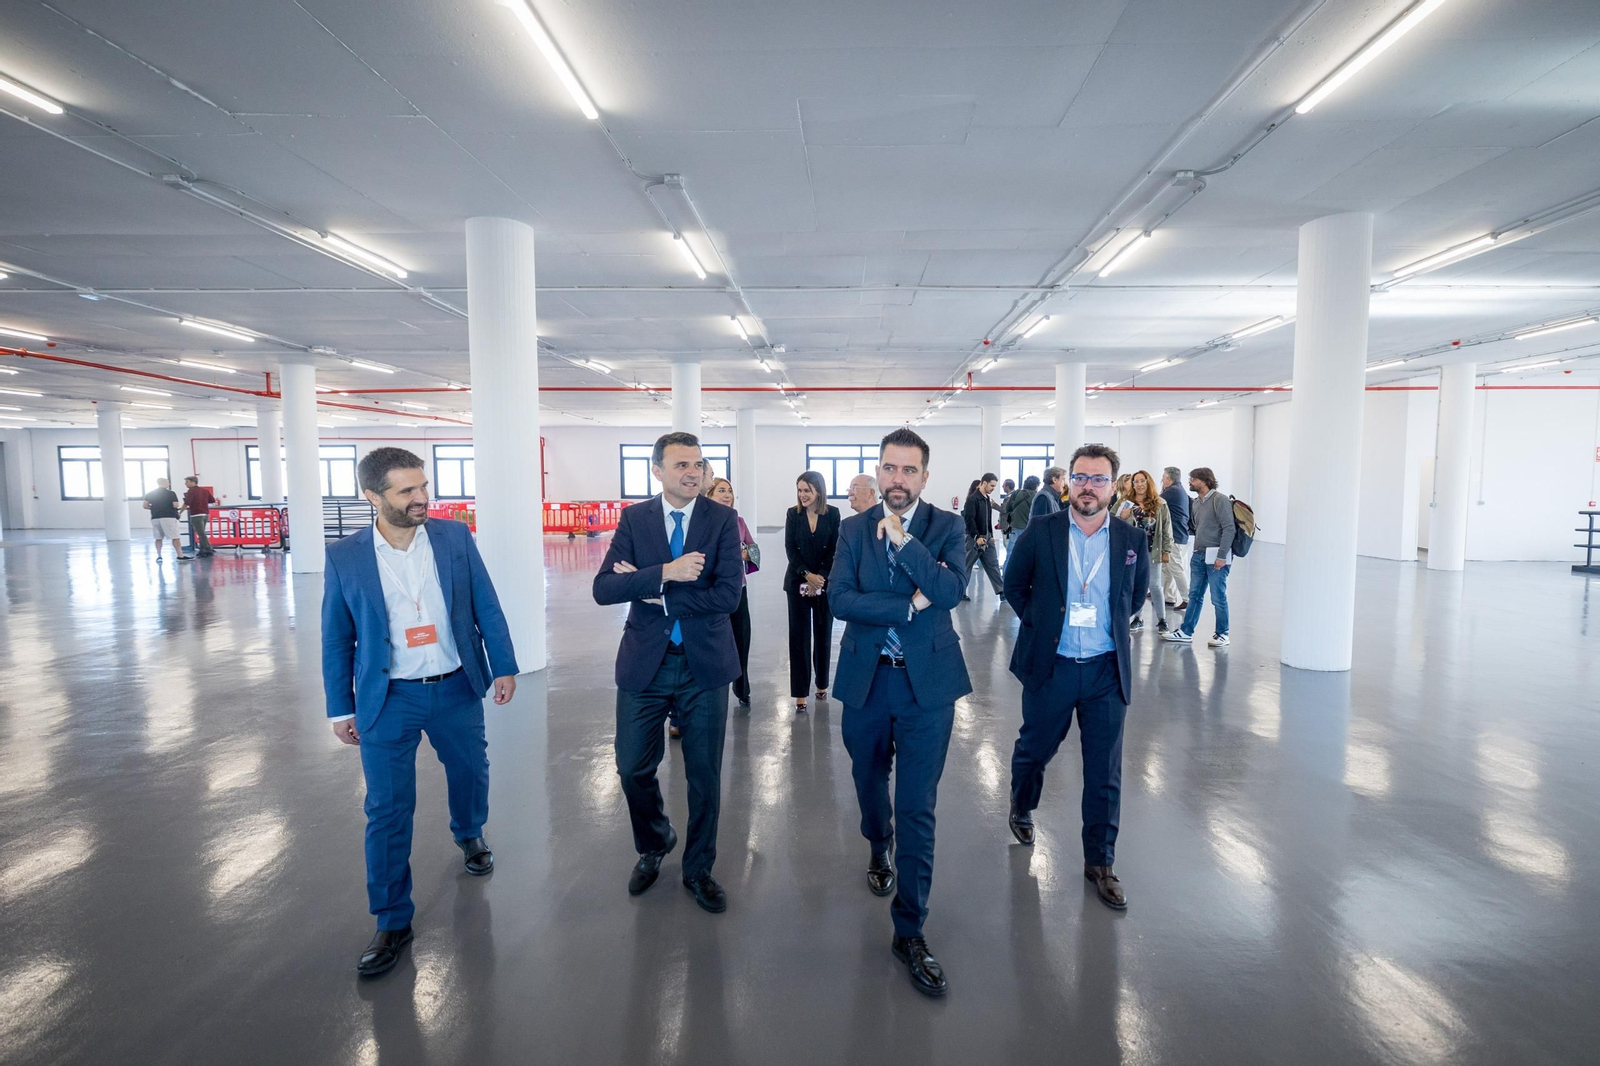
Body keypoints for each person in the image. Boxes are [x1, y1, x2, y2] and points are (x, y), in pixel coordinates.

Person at [321, 447, 519, 977]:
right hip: (388, 698)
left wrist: (504, 665)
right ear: (373, 496)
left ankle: (469, 831)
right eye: (406, 491)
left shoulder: (453, 537)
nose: (421, 498)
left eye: (423, 486)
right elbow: (336, 636)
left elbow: (486, 602)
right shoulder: (346, 556)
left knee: (471, 770)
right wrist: (339, 707)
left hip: (455, 685)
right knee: (386, 810)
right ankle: (391, 918)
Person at [828, 427, 969, 997]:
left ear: (924, 477)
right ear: (878, 470)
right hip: (866, 682)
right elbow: (839, 599)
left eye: (910, 470)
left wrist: (908, 547)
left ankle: (909, 930)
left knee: (918, 806)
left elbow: (952, 589)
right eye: (889, 468)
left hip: (926, 689)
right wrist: (909, 605)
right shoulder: (851, 532)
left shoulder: (947, 527)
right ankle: (875, 842)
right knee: (868, 782)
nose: (898, 479)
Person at [595, 432, 742, 914]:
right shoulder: (635, 519)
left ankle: (698, 868)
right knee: (632, 766)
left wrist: (657, 590)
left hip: (704, 666)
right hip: (646, 663)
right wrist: (666, 571)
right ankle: (655, 840)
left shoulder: (721, 520)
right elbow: (604, 588)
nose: (692, 473)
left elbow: (727, 596)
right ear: (657, 470)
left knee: (704, 774)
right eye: (681, 465)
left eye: (698, 465)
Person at [1002, 444, 1149, 911]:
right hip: (1053, 667)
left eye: (1099, 478)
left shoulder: (1130, 539)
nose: (1088, 486)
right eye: (1081, 477)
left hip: (1106, 669)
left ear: (1113, 485)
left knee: (1105, 771)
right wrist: (1045, 626)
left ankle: (1100, 862)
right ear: (1069, 482)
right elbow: (1014, 585)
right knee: (1034, 750)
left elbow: (1136, 594)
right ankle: (1022, 803)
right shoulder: (1041, 531)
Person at [784, 471, 840, 713]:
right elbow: (790, 548)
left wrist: (821, 576)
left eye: (807, 490)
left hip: (824, 583)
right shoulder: (792, 514)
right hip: (797, 582)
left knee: (823, 634)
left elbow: (836, 548)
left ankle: (822, 683)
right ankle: (799, 692)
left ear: (819, 490)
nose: (802, 494)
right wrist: (807, 574)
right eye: (799, 490)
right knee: (799, 637)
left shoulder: (833, 514)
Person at [1163, 467, 1235, 648]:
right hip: (1199, 555)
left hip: (1217, 556)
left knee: (1218, 596)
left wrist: (1221, 556)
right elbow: (1197, 527)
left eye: (1193, 479)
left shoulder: (1220, 500)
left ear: (1204, 480)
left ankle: (1222, 633)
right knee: (1194, 595)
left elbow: (1229, 529)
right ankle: (1186, 631)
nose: (1190, 482)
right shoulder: (1196, 503)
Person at [708, 477, 757, 708]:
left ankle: (742, 687)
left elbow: (753, 548)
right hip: (712, 591)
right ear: (709, 495)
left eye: (729, 491)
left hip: (738, 588)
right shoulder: (704, 522)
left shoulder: (738, 521)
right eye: (721, 491)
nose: (727, 495)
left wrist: (746, 553)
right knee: (714, 642)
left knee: (741, 639)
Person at [1122, 471, 1173, 633]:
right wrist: (1122, 516)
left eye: (1142, 481)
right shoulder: (1127, 502)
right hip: (1132, 551)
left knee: (1155, 585)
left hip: (1153, 549)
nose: (1139, 484)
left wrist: (1167, 550)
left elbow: (1166, 528)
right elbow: (1111, 519)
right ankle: (1138, 618)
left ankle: (1162, 619)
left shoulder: (1160, 503)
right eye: (1135, 481)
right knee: (1136, 585)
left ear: (1148, 482)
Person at [960, 473, 1003, 599]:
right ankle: (960, 592)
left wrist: (990, 535)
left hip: (987, 538)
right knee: (967, 566)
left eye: (994, 486)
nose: (993, 488)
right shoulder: (972, 500)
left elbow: (988, 520)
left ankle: (1001, 591)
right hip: (975, 539)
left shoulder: (986, 499)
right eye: (991, 485)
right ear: (984, 483)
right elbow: (969, 520)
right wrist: (976, 537)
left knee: (993, 565)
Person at [1159, 466, 1191, 611]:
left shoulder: (1172, 491)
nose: (1162, 480)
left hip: (1175, 537)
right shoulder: (1180, 490)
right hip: (1180, 535)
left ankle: (1188, 598)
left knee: (1175, 568)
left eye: (1163, 477)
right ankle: (1169, 596)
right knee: (1168, 568)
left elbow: (1154, 503)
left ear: (1168, 478)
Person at [143, 478, 190, 561]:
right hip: (168, 517)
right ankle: (180, 555)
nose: (169, 484)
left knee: (158, 538)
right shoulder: (171, 493)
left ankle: (159, 556)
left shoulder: (150, 493)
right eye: (168, 482)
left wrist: (155, 508)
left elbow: (145, 506)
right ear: (164, 483)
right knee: (175, 537)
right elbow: (175, 505)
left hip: (155, 517)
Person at [180, 476, 217, 557]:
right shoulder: (205, 491)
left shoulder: (191, 491)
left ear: (193, 482)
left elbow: (186, 503)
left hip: (196, 514)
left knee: (201, 533)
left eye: (187, 482)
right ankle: (202, 550)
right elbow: (212, 500)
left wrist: (180, 512)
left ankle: (208, 548)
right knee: (201, 532)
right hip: (205, 513)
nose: (185, 484)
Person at [1003, 475, 1039, 550]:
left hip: (1015, 526)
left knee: (1010, 553)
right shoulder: (1036, 496)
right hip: (1028, 528)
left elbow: (1007, 508)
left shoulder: (1016, 493)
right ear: (1036, 485)